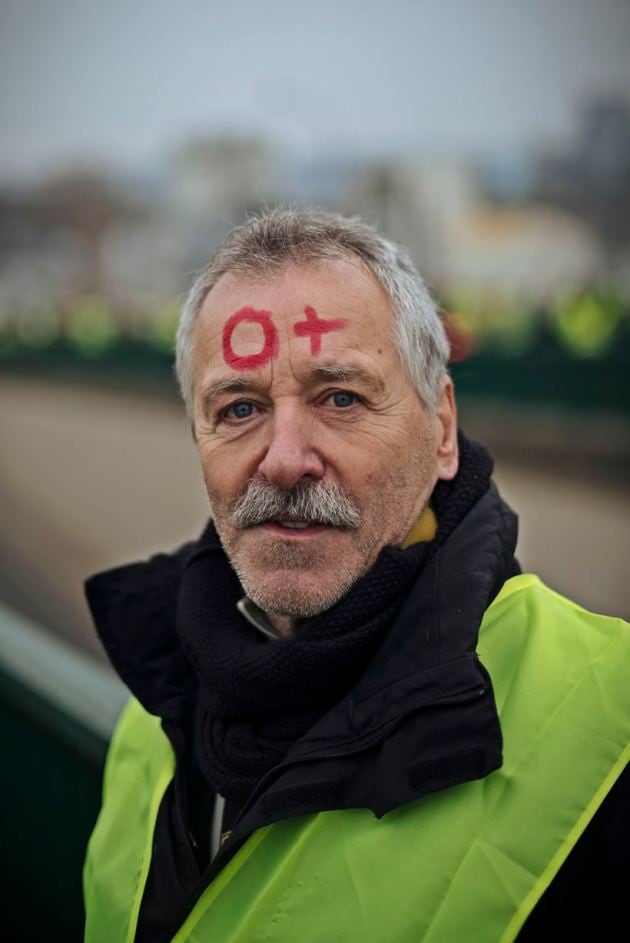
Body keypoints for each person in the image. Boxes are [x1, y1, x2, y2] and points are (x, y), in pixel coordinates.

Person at [83, 207, 630, 943]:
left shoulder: (610, 718)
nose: (283, 458)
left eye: (340, 398)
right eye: (239, 407)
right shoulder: (151, 708)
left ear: (441, 429)